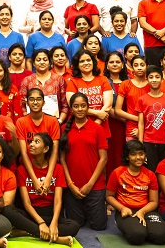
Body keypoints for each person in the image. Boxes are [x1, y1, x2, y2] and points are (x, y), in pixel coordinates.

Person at [4, 133, 79, 246]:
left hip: (50, 213)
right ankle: (55, 238)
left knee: (74, 227)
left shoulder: (58, 169)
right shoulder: (22, 170)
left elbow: (58, 201)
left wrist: (53, 223)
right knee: (7, 210)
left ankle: (26, 232)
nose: (31, 145)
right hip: (31, 214)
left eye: (37, 142)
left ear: (46, 149)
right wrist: (41, 223)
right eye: (31, 142)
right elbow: (26, 203)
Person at [59, 93, 109, 230]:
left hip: (94, 184)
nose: (80, 109)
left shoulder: (97, 128)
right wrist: (70, 184)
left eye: (83, 106)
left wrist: (90, 184)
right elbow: (62, 159)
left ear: (87, 108)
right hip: (72, 185)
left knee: (99, 226)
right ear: (71, 109)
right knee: (76, 224)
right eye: (76, 106)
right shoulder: (64, 129)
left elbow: (104, 158)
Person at [107, 140, 165, 245]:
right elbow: (109, 196)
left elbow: (154, 202)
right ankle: (135, 228)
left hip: (147, 210)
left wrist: (142, 212)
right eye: (133, 154)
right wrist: (122, 208)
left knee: (161, 237)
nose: (138, 157)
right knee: (137, 236)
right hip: (127, 211)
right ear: (127, 157)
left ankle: (147, 228)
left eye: (141, 154)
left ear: (145, 155)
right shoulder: (117, 173)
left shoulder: (150, 175)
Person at [15, 89, 61, 197]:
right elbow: (24, 152)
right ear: (27, 103)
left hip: (48, 167)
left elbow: (54, 151)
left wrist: (49, 176)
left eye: (38, 99)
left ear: (44, 102)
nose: (35, 102)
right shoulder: (21, 122)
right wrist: (34, 179)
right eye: (31, 99)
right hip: (28, 169)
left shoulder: (53, 121)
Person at [136, 65, 165, 171]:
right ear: (147, 79)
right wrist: (141, 144)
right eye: (151, 77)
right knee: (150, 170)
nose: (154, 80)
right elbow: (141, 123)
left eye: (157, 77)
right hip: (148, 141)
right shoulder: (142, 99)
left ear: (162, 79)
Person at [67, 50, 113, 124]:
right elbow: (73, 106)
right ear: (77, 65)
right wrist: (98, 114)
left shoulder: (103, 79)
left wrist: (97, 122)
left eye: (88, 60)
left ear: (93, 62)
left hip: (101, 124)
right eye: (82, 61)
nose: (86, 63)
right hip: (80, 125)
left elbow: (108, 105)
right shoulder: (72, 82)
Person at [20, 49, 67, 121]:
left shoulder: (58, 79)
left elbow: (65, 105)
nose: (42, 62)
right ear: (33, 63)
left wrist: (59, 121)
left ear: (49, 62)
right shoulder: (27, 81)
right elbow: (22, 105)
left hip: (55, 123)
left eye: (45, 60)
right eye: (38, 60)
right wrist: (28, 121)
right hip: (32, 123)